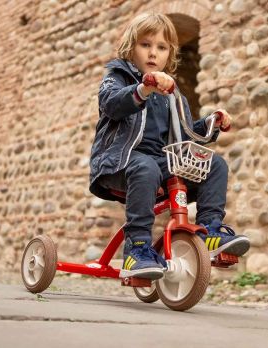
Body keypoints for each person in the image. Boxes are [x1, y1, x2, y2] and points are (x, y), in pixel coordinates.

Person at [89, 13, 250, 280]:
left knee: (215, 164)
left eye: (161, 48)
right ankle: (137, 249)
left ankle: (210, 229)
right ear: (131, 47)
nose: (153, 53)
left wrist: (210, 123)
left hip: (160, 163)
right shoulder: (116, 76)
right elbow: (111, 104)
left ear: (169, 54)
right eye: (145, 45)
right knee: (145, 167)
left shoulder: (172, 95)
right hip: (118, 162)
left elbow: (185, 134)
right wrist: (142, 89)